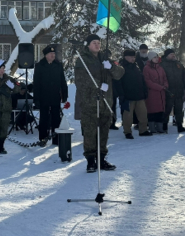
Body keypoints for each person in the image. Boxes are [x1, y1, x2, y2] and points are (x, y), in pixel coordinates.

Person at [74, 34, 124, 173]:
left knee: (104, 133)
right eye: (94, 43)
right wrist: (98, 86)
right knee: (90, 133)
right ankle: (90, 161)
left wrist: (111, 68)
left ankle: (101, 159)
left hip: (106, 102)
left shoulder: (105, 58)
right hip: (90, 102)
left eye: (98, 42)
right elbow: (80, 81)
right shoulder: (82, 60)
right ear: (88, 45)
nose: (97, 45)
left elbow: (120, 73)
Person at [32, 45, 68, 145]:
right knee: (44, 119)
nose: (53, 55)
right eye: (51, 54)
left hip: (55, 96)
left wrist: (64, 95)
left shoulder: (58, 65)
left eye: (54, 54)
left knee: (56, 118)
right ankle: (43, 138)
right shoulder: (40, 66)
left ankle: (55, 139)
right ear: (46, 55)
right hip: (44, 97)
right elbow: (36, 84)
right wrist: (36, 99)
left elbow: (62, 81)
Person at [116, 49, 151, 138]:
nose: (133, 58)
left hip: (139, 95)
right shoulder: (121, 67)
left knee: (143, 114)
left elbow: (141, 79)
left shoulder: (136, 66)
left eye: (134, 57)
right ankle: (127, 132)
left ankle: (143, 130)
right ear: (125, 57)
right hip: (127, 96)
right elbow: (118, 82)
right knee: (127, 116)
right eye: (131, 57)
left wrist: (145, 90)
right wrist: (121, 94)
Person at [161, 49, 185, 132]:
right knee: (167, 109)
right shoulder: (162, 65)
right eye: (171, 54)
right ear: (167, 55)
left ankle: (180, 126)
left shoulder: (179, 64)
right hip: (168, 91)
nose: (173, 55)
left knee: (179, 109)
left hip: (179, 90)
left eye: (174, 54)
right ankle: (164, 126)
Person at [143, 51, 168, 134]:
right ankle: (152, 127)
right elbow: (148, 81)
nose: (156, 59)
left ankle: (160, 128)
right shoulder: (146, 68)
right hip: (152, 93)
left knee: (160, 111)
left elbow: (165, 78)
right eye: (154, 57)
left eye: (157, 57)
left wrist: (165, 85)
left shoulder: (160, 68)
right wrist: (159, 87)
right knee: (152, 111)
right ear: (150, 59)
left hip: (161, 93)